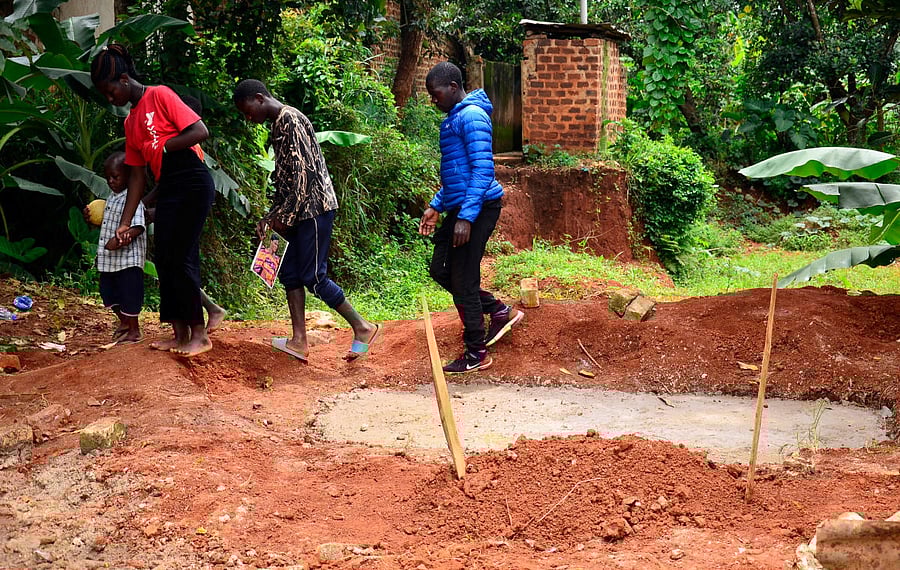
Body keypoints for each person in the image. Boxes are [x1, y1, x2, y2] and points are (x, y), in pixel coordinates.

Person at [232, 79, 379, 362]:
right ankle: (299, 341)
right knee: (289, 273)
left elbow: (304, 178)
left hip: (313, 210)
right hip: (297, 212)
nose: (248, 118)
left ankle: (363, 327)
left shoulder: (290, 120)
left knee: (314, 276)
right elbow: (284, 180)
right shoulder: (278, 124)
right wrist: (271, 217)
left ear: (260, 98)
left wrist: (282, 219)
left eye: (247, 111)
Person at [91, 44, 215, 357]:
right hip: (169, 185)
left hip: (192, 179)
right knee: (164, 257)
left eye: (110, 92)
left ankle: (199, 334)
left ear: (123, 80)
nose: (111, 99)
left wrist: (165, 147)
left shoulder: (159, 94)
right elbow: (136, 176)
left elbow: (200, 130)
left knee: (181, 255)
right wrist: (125, 220)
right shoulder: (130, 123)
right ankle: (178, 331)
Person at [418, 61, 524, 374]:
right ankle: (497, 310)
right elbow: (456, 175)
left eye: (435, 94)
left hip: (478, 208)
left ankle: (476, 351)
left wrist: (465, 217)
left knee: (464, 279)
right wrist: (436, 205)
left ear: (453, 87)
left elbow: (482, 171)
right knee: (440, 269)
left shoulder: (472, 116)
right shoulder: (454, 118)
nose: (433, 101)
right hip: (461, 206)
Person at [141, 93, 227, 333]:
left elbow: (185, 185)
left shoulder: (190, 146)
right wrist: (146, 204)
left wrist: (157, 209)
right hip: (175, 198)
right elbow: (165, 182)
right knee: (170, 260)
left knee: (179, 260)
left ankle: (201, 324)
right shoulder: (166, 143)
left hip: (188, 200)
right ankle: (190, 325)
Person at [88, 151, 147, 344]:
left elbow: (138, 226)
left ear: (129, 176)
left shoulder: (132, 199)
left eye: (115, 177)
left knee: (129, 294)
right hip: (109, 260)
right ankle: (124, 322)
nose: (111, 181)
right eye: (108, 178)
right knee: (108, 293)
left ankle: (134, 330)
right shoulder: (112, 198)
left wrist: (122, 238)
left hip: (128, 260)